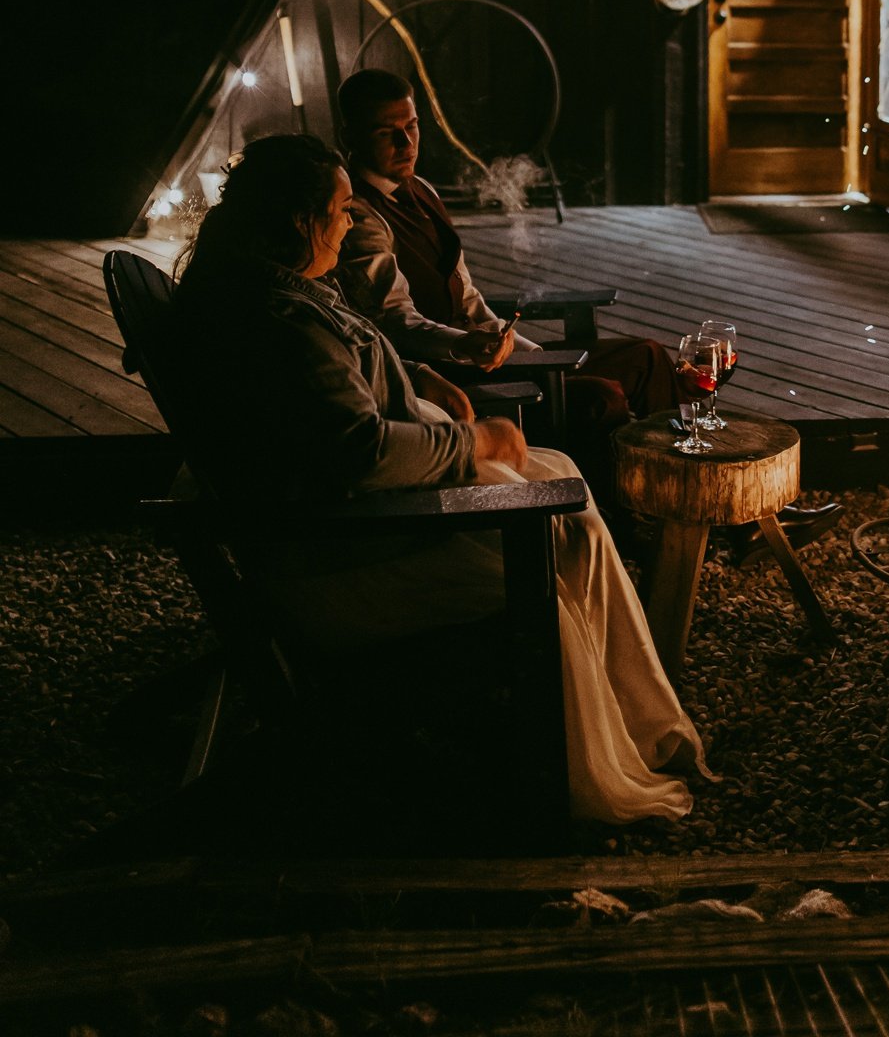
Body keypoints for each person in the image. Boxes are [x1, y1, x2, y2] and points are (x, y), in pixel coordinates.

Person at [172, 133, 707, 826]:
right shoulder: (276, 322)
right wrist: (474, 441)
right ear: (300, 220)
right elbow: (359, 453)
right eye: (338, 211)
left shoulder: (274, 284)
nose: (348, 222)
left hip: (353, 519)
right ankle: (578, 770)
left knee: (562, 476)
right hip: (336, 561)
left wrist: (413, 371)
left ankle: (639, 717)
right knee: (551, 564)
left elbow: (346, 370)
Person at [331, 70, 684, 483]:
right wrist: (465, 344)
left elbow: (466, 296)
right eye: (386, 134)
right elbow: (394, 319)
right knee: (603, 398)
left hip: (495, 354)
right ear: (349, 136)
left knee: (648, 357)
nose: (406, 144)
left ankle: (688, 492)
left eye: (411, 127)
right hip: (455, 378)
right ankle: (634, 515)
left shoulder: (421, 188)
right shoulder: (356, 213)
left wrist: (529, 351)